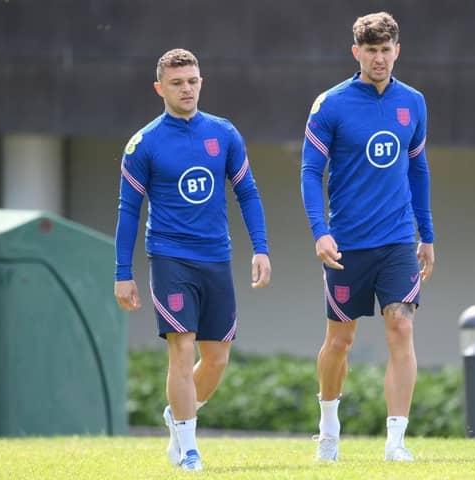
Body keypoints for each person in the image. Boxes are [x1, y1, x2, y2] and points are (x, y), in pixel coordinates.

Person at [114, 48, 271, 472]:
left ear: (202, 81)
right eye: (177, 82)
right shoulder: (143, 144)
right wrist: (122, 273)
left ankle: (177, 413)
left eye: (193, 80)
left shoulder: (224, 134)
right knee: (181, 351)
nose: (187, 88)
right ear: (159, 88)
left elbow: (248, 193)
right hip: (170, 258)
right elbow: (129, 211)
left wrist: (261, 247)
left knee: (217, 359)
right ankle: (188, 447)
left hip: (216, 258)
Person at [301, 12, 435, 463]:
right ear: (356, 52)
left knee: (401, 326)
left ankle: (395, 441)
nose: (379, 58)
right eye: (370, 51)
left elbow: (417, 169)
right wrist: (320, 232)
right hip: (347, 244)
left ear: (398, 50)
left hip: (398, 240)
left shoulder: (413, 102)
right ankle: (328, 429)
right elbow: (309, 172)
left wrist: (427, 233)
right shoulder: (330, 105)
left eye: (386, 50)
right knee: (340, 341)